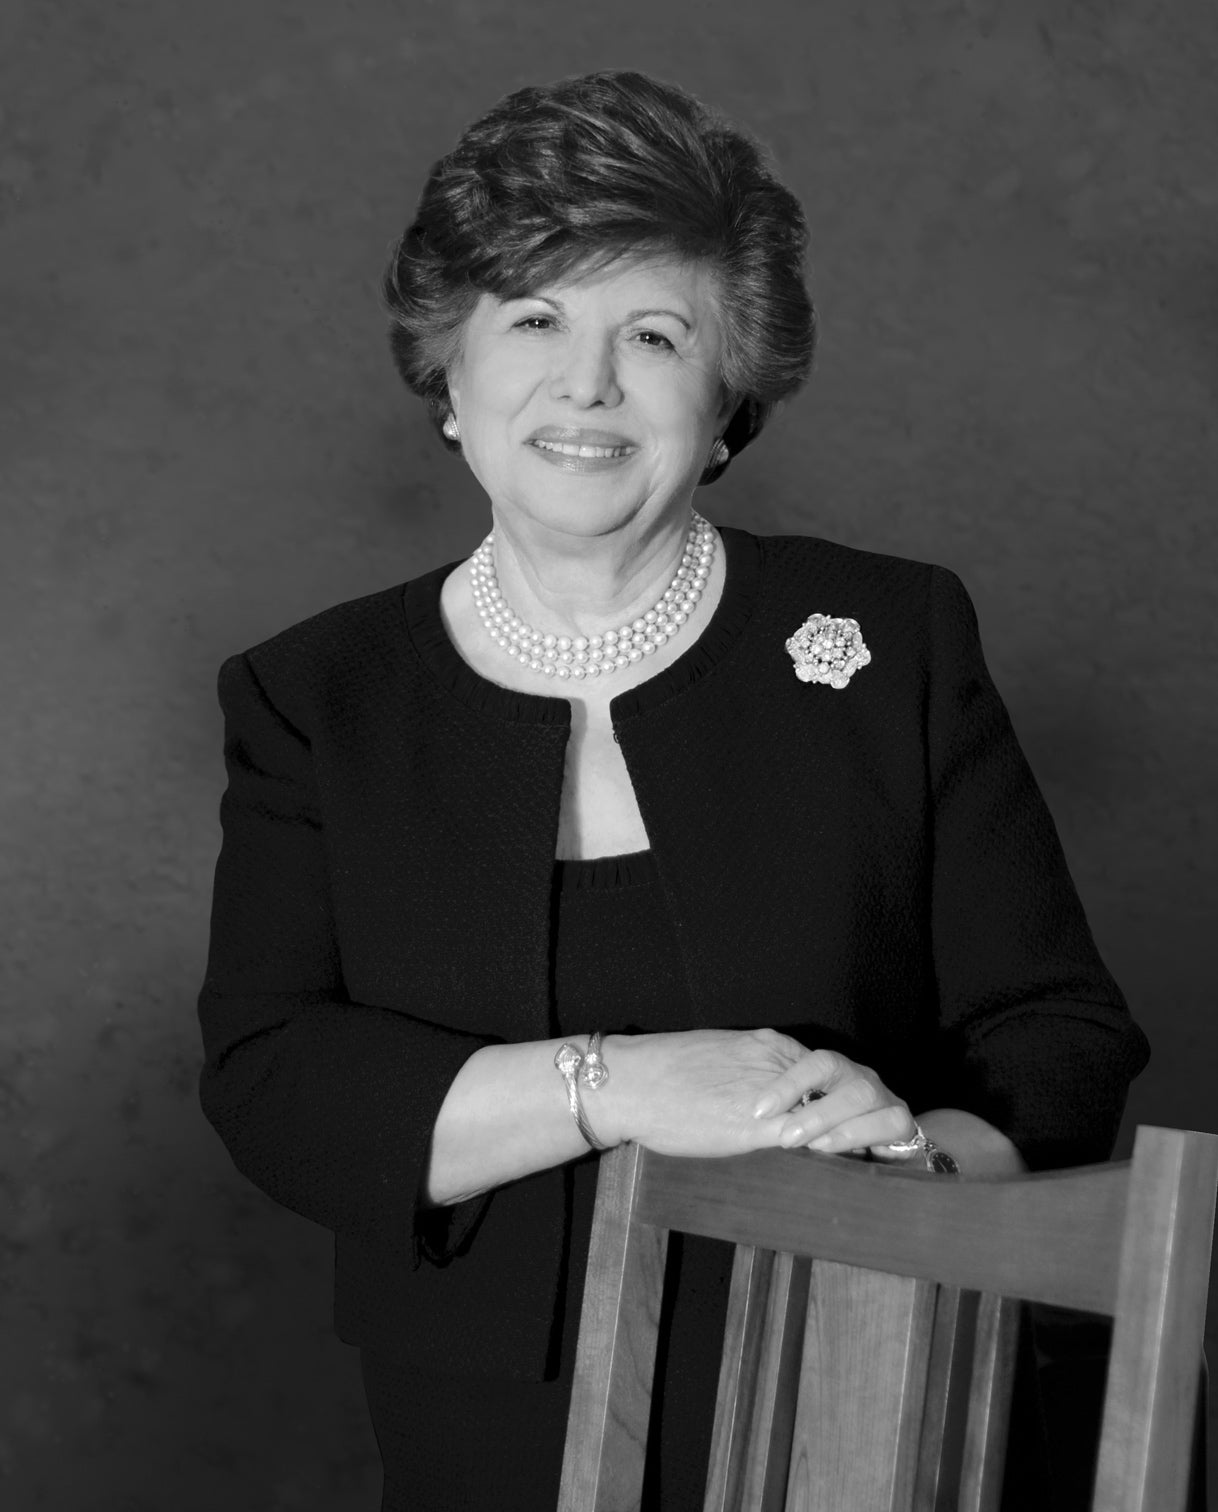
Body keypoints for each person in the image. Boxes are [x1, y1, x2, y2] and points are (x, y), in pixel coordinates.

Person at [196, 70, 1160, 1511]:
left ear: (724, 405)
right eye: (533, 321)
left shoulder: (889, 637)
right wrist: (626, 1085)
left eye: (652, 335)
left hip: (876, 1370)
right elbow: (274, 1079)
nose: (585, 385)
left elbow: (1059, 1028)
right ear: (448, 383)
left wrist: (915, 1163)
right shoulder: (317, 696)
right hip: (487, 1417)